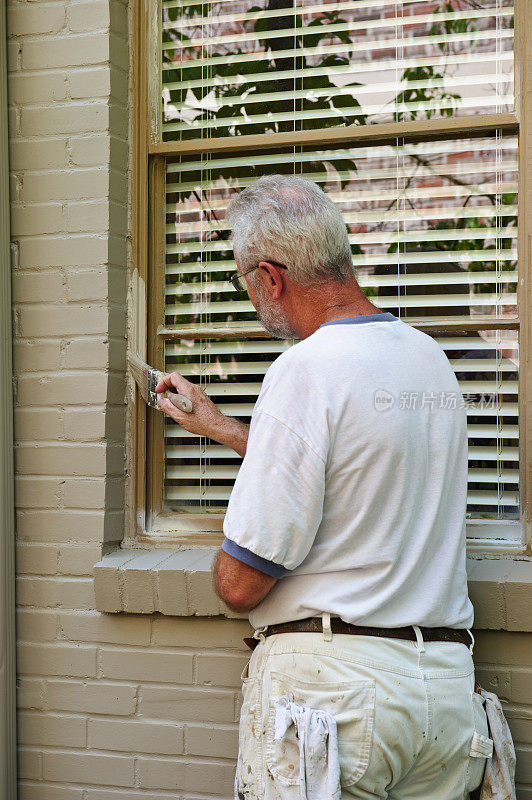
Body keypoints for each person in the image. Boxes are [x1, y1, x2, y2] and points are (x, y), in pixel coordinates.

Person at [156, 175, 490, 800]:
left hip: (338, 705)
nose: (251, 298)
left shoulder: (304, 369)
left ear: (271, 278)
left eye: (244, 282)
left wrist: (224, 557)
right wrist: (223, 428)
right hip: (444, 701)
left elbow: (242, 584)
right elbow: (353, 470)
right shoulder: (427, 361)